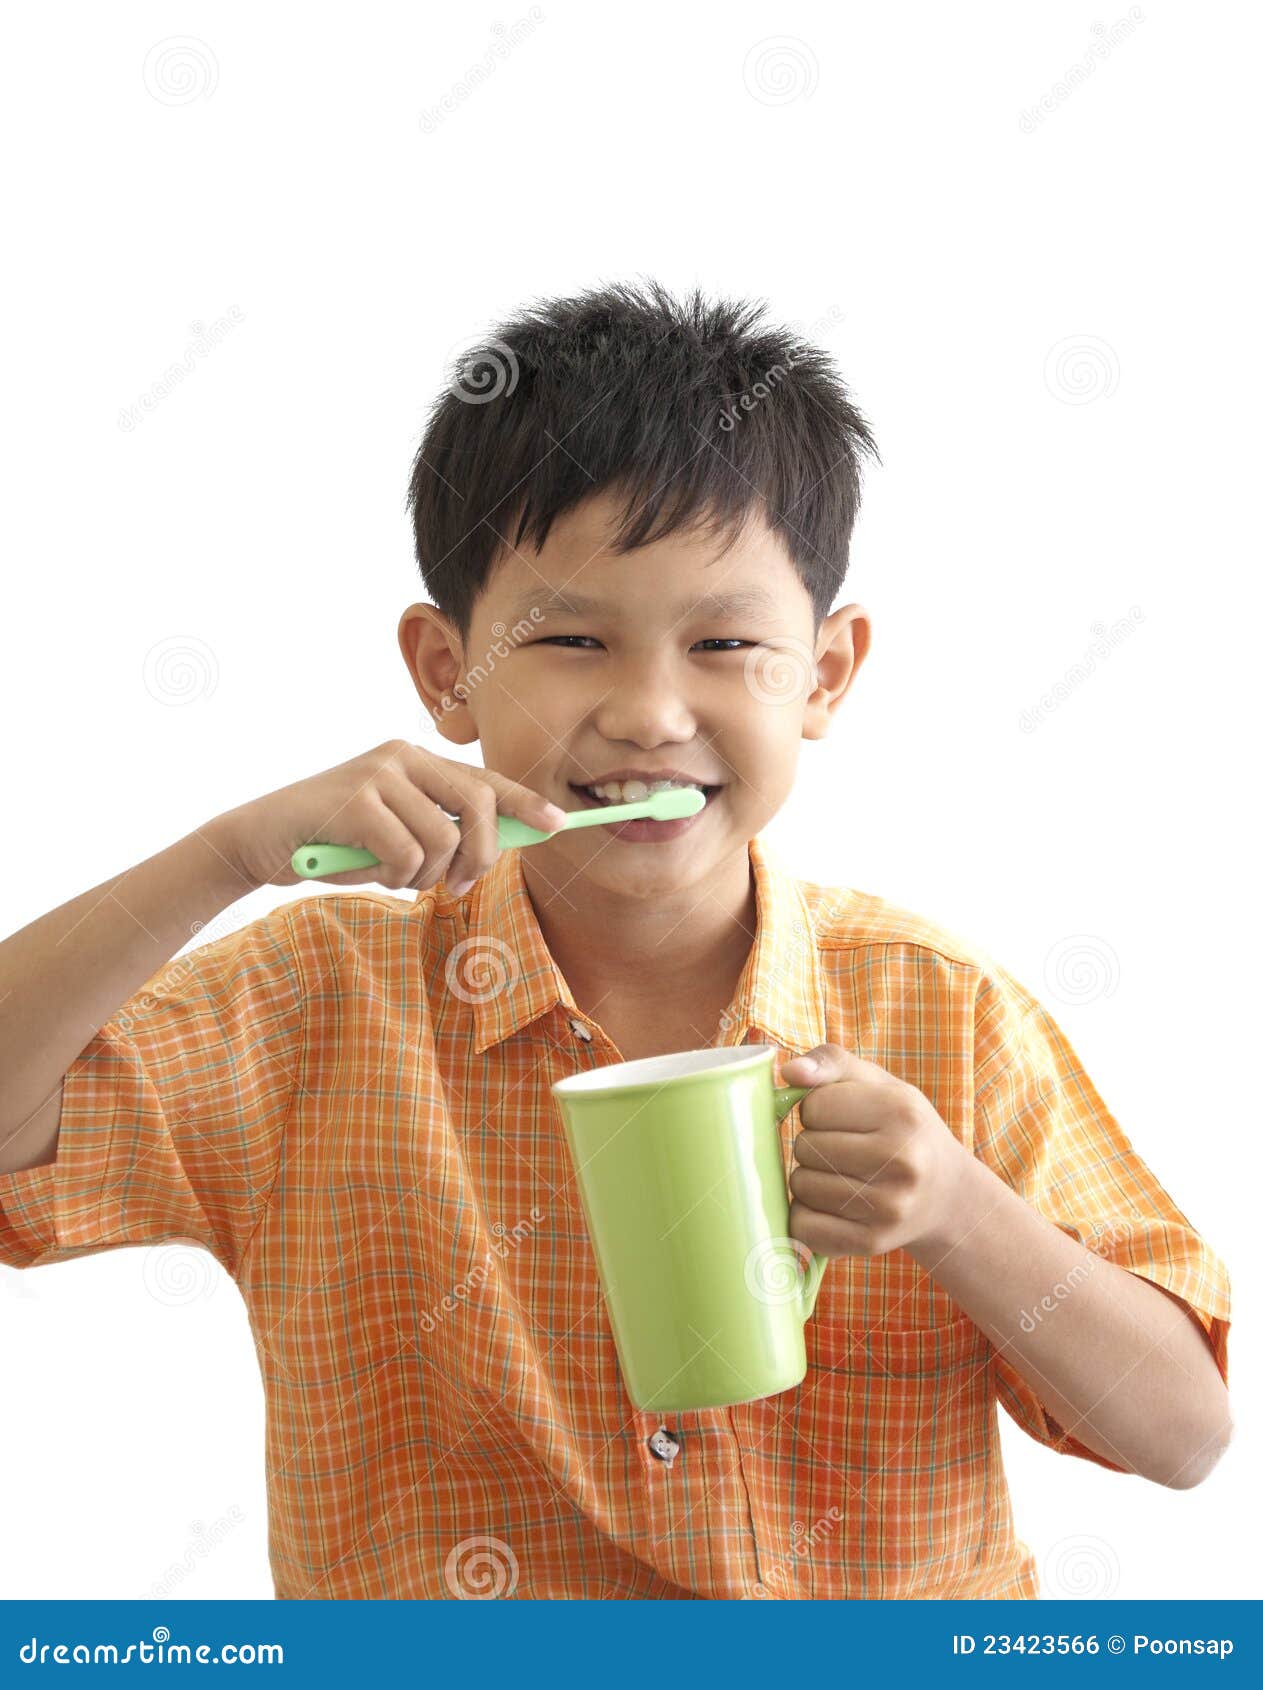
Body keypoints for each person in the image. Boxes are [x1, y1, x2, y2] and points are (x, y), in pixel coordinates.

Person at [0, 280, 1231, 1600]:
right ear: (443, 673)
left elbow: (1183, 1434)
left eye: (726, 643)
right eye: (575, 639)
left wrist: (959, 1214)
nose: (651, 713)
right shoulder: (312, 1004)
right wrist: (229, 851)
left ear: (823, 673)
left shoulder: (945, 1011)